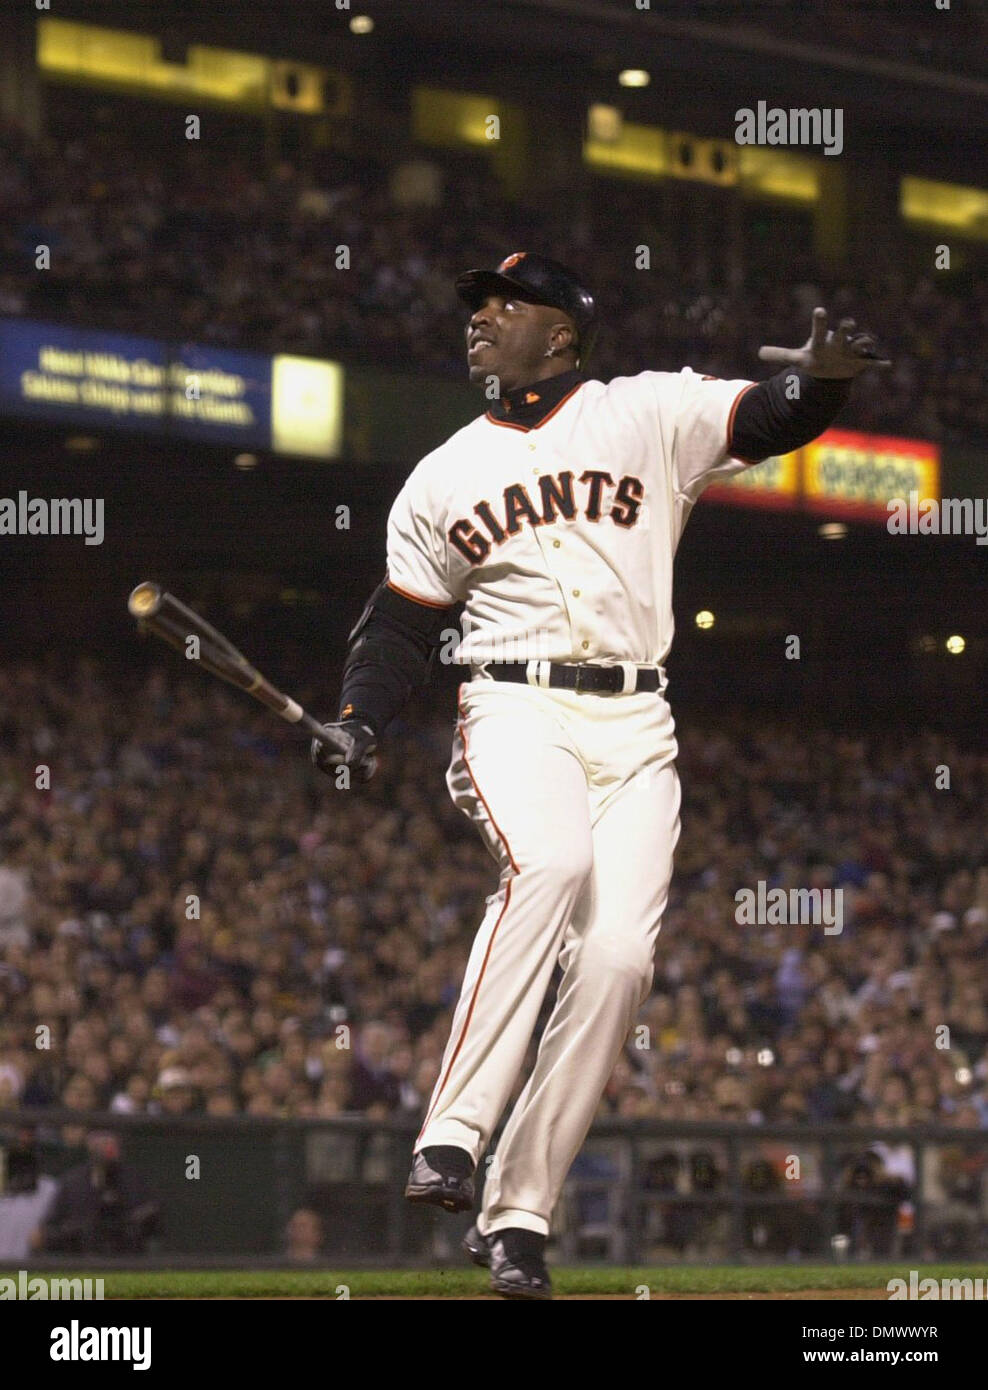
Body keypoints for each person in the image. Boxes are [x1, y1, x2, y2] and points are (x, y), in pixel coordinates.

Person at [311, 251, 887, 1298]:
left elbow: (767, 416)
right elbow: (399, 622)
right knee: (549, 862)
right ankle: (451, 1132)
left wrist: (827, 383)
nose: (481, 316)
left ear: (562, 333)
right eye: (475, 304)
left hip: (636, 718)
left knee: (619, 959)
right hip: (512, 699)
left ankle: (519, 1213)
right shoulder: (442, 472)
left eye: (505, 303)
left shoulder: (644, 411)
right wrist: (359, 718)